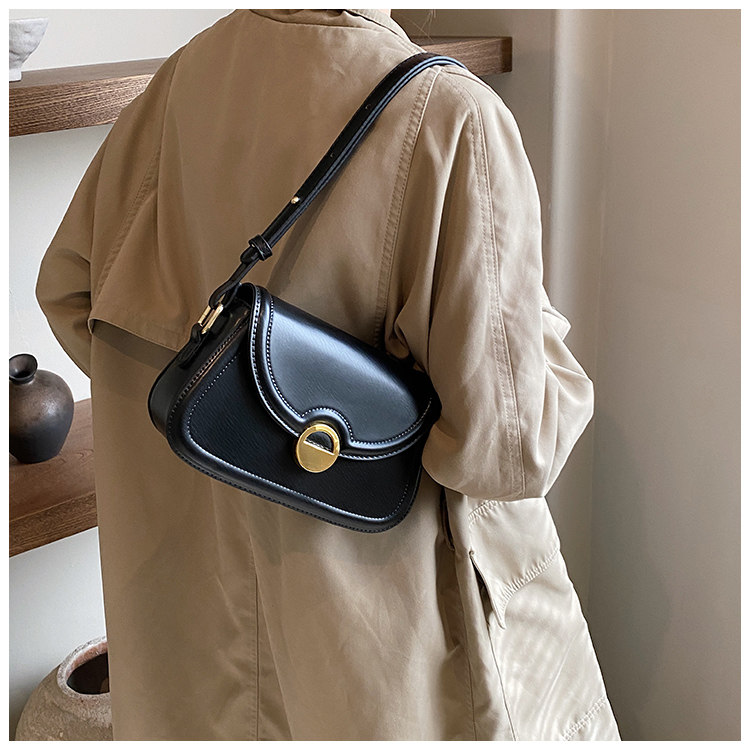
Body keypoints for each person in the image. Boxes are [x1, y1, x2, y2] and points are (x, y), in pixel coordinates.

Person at [36, 9, 620, 741]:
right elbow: (509, 452)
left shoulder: (185, 76)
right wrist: (540, 334)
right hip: (371, 642)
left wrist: (228, 415)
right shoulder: (453, 118)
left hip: (191, 628)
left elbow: (71, 294)